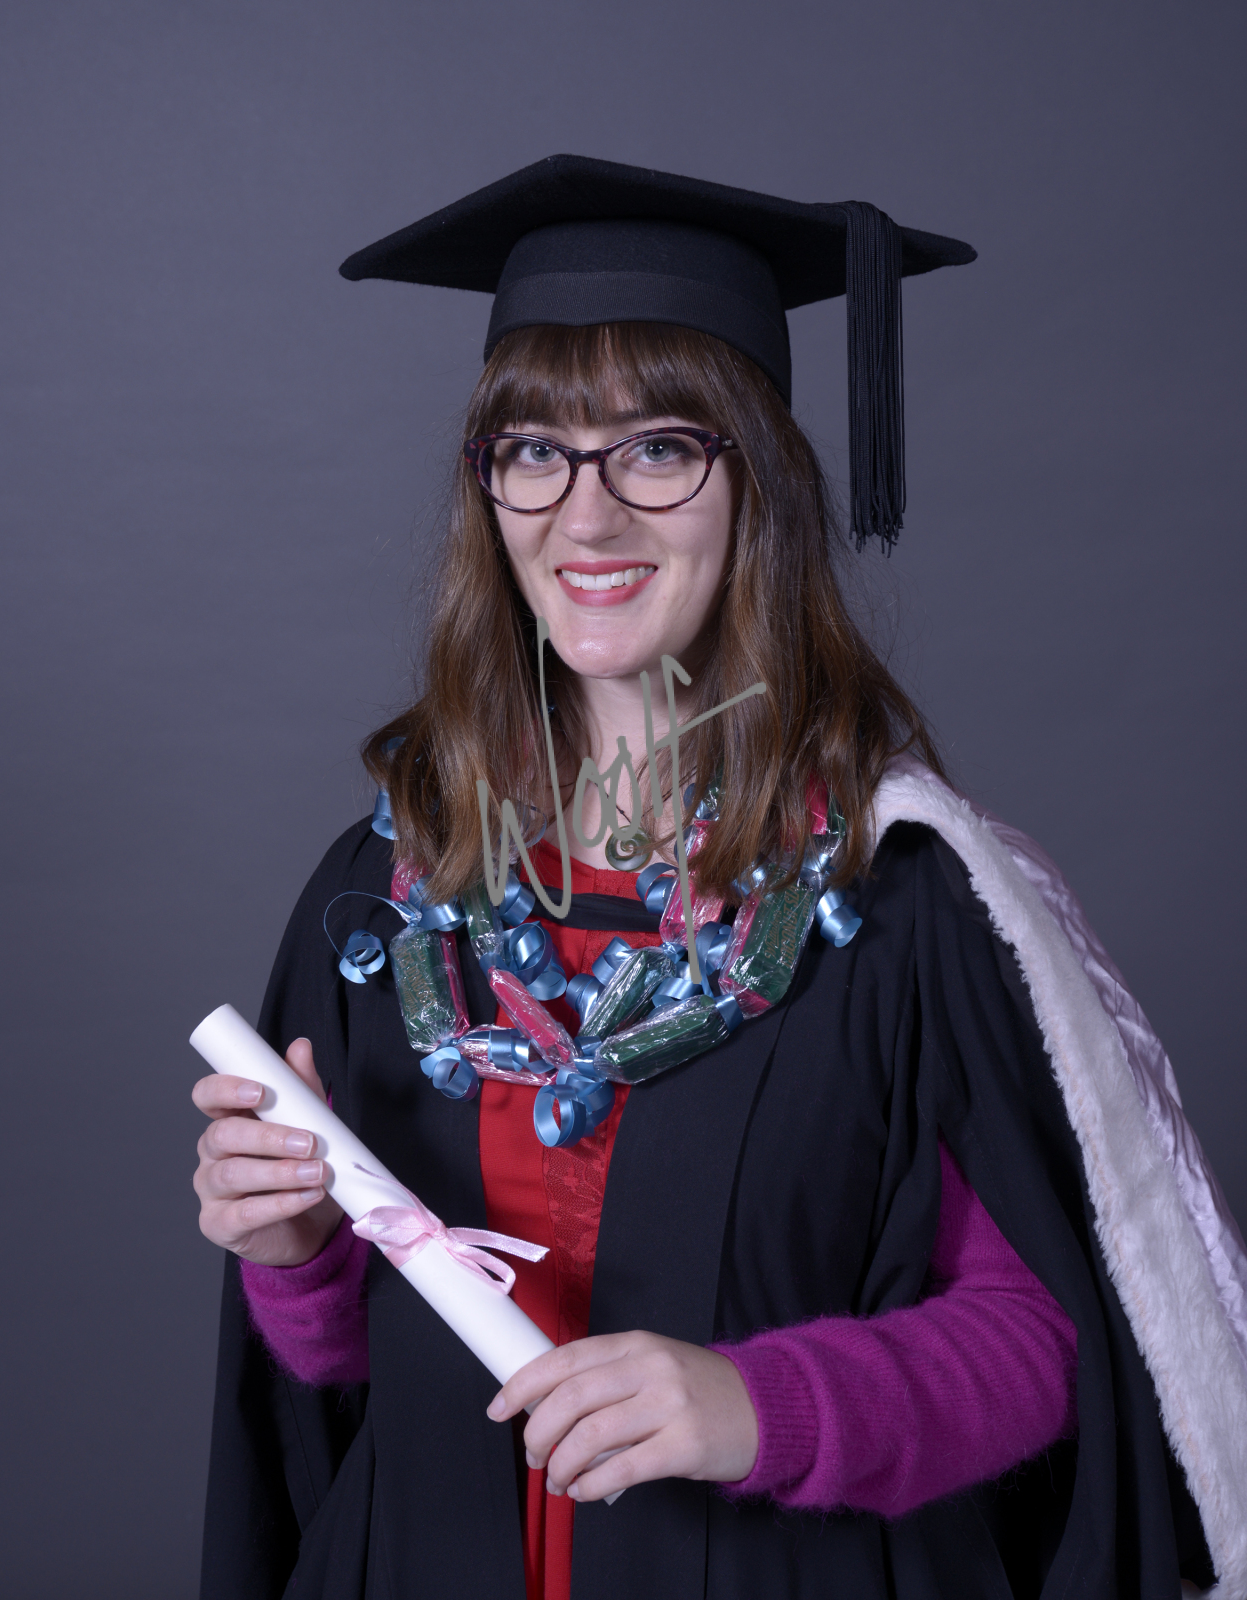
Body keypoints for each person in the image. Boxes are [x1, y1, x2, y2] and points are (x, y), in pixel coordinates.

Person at [191, 156, 1245, 1600]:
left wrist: (756, 1407)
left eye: (659, 448)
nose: (587, 517)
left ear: (761, 482)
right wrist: (297, 1251)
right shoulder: (392, 896)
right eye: (535, 449)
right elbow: (339, 1379)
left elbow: (1037, 1344)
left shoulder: (897, 899)